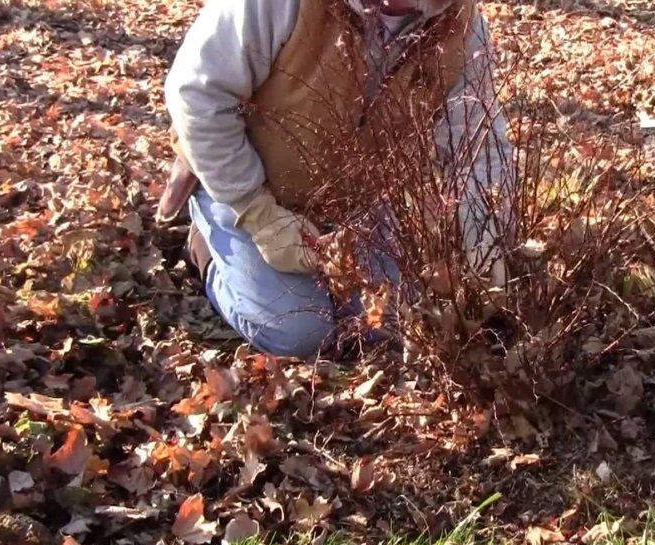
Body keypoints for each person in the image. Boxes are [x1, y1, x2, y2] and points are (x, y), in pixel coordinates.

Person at [158, 0, 512, 358]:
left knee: (392, 326)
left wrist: (485, 247)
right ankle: (204, 244)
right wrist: (258, 213)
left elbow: (478, 147)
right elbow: (196, 94)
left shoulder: (461, 26)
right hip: (244, 186)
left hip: (355, 207)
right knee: (300, 334)